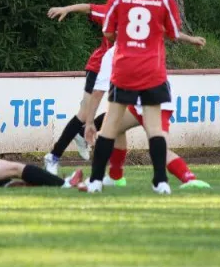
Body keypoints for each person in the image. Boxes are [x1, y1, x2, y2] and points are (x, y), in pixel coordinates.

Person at [87, 0, 181, 194]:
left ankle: (95, 180)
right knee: (155, 128)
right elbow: (173, 33)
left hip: (124, 69)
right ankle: (160, 182)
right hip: (152, 71)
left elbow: (108, 31)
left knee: (110, 125)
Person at [83, 41, 211, 189]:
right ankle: (115, 177)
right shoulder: (145, 43)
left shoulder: (113, 53)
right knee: (115, 128)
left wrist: (89, 122)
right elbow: (169, 33)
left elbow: (98, 91)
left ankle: (189, 179)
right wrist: (190, 39)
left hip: (155, 103)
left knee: (158, 147)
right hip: (147, 102)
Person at [42, 2, 109, 175]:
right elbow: (89, 8)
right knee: (84, 114)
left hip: (123, 69)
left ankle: (83, 133)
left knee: (124, 112)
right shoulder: (113, 10)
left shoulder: (142, 14)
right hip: (100, 67)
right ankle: (53, 156)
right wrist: (66, 9)